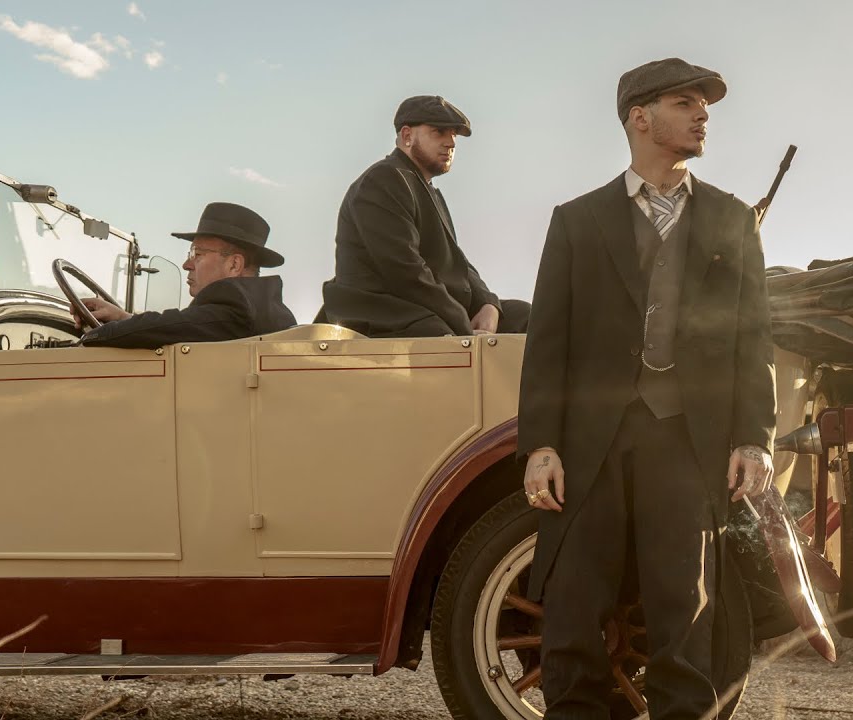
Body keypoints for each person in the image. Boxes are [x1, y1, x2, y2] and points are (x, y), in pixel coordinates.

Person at [517, 58, 777, 719]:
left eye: (704, 105)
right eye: (685, 102)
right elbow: (548, 344)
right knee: (574, 606)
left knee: (685, 609)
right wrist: (541, 446)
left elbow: (754, 340)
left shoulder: (732, 218)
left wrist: (755, 437)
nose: (703, 114)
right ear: (639, 116)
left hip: (687, 437)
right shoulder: (576, 220)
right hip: (590, 442)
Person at [317, 95, 529, 337]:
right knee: (441, 335)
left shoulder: (428, 190)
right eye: (439, 132)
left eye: (454, 134)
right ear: (407, 135)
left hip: (428, 308)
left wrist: (488, 303)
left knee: (524, 316)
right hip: (385, 313)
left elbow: (456, 262)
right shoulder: (383, 180)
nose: (451, 142)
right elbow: (405, 271)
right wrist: (463, 327)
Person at [78, 202, 296, 348]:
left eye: (197, 254)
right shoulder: (262, 311)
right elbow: (185, 325)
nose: (186, 265)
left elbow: (171, 325)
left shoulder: (237, 307)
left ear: (234, 264)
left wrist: (94, 336)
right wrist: (122, 317)